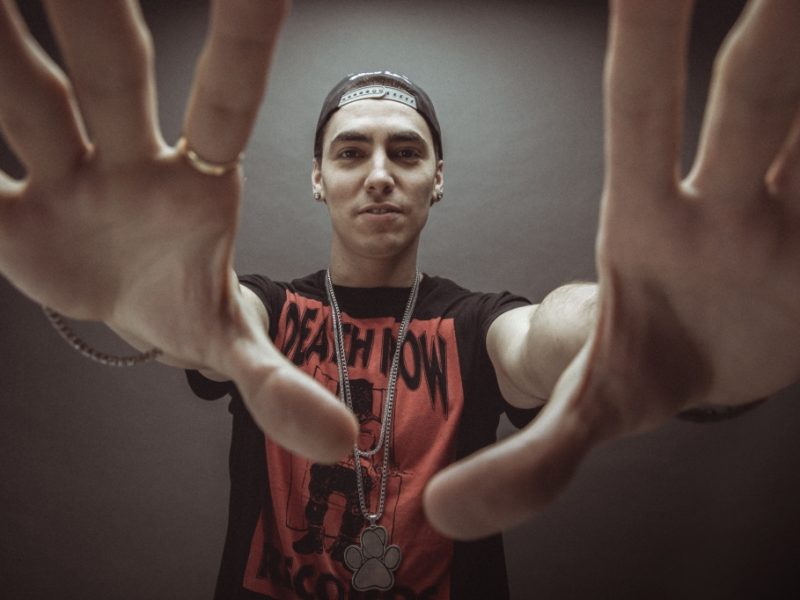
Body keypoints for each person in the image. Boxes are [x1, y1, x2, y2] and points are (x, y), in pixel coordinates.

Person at [0, 0, 798, 598]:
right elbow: (215, 324)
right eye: (351, 152)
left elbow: (546, 338)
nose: (379, 173)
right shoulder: (268, 316)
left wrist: (637, 327)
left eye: (406, 152)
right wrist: (157, 298)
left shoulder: (477, 326)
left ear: (436, 178)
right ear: (318, 178)